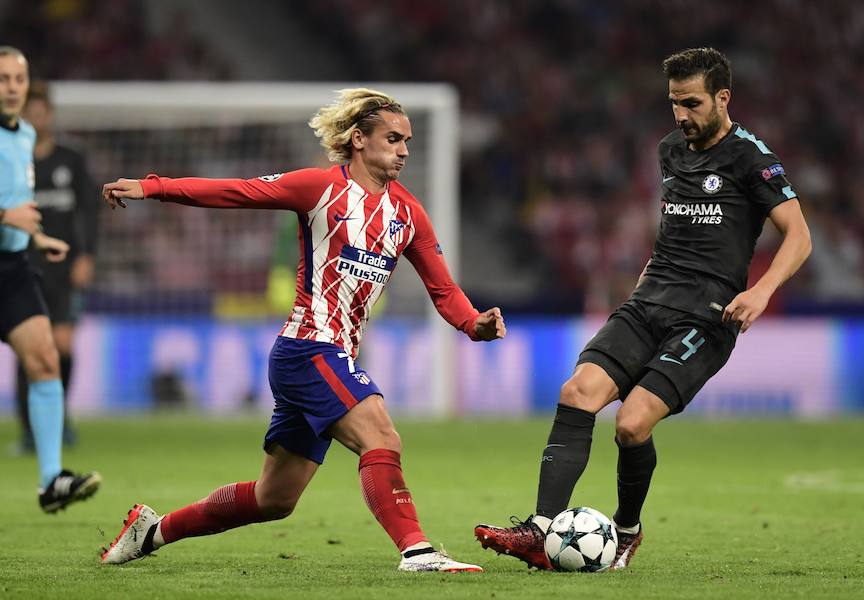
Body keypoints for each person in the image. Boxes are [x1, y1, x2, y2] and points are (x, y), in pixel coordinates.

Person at [99, 88, 506, 572]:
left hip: (332, 355)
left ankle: (154, 530)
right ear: (359, 139)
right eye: (393, 139)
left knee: (275, 498)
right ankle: (416, 550)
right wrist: (154, 186)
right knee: (382, 435)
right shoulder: (319, 189)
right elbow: (237, 192)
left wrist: (473, 323)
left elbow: (444, 291)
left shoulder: (408, 214)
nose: (404, 151)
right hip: (308, 347)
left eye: (408, 141)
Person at [474, 47, 812, 571]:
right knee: (577, 391)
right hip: (648, 299)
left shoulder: (752, 158)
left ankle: (627, 531)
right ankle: (539, 531)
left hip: (707, 317)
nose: (681, 115)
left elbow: (799, 236)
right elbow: (676, 229)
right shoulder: (670, 149)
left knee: (631, 424)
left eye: (693, 103)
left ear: (723, 98)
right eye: (674, 103)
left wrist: (761, 291)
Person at [0, 46, 102, 512]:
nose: (12, 88)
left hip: (14, 268)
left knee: (45, 359)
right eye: (3, 79)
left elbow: (19, 211)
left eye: (18, 79)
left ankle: (50, 481)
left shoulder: (21, 138)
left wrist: (38, 238)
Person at [13, 80, 99, 452]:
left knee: (62, 346)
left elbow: (91, 211)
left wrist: (87, 255)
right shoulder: (12, 158)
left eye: (41, 110)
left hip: (64, 268)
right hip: (23, 264)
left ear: (49, 114)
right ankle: (30, 429)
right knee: (30, 346)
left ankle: (58, 417)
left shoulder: (71, 158)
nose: (36, 116)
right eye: (29, 110)